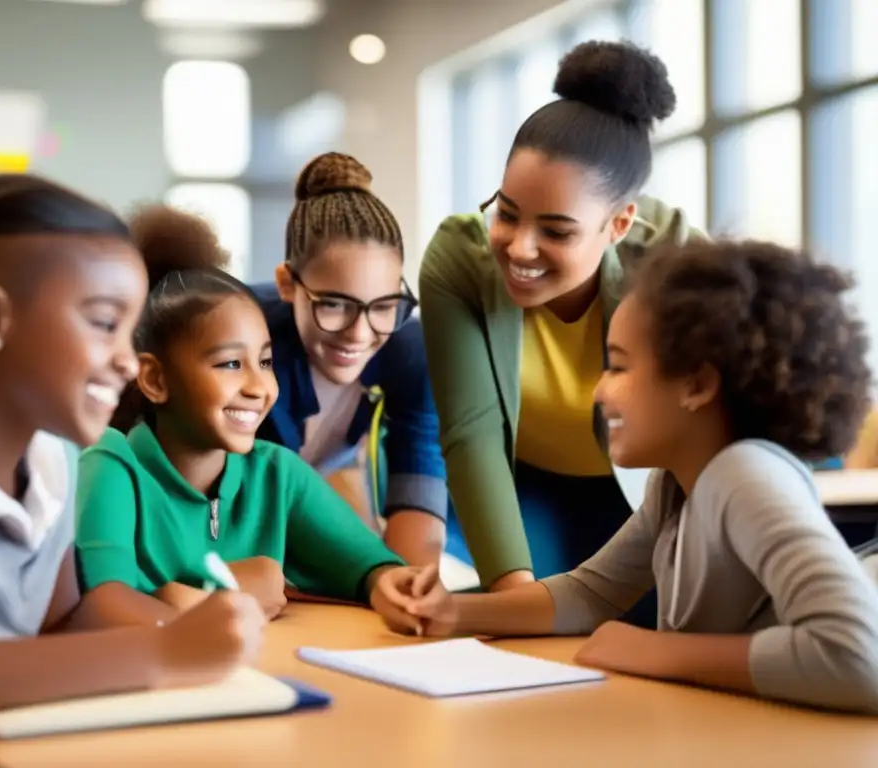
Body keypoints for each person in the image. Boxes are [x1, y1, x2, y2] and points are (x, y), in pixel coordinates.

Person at [0, 176, 265, 755]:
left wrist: (187, 628)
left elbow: (64, 620)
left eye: (131, 330)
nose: (127, 361)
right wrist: (158, 653)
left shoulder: (50, 464)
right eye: (103, 323)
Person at [385, 239, 878, 714]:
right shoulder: (675, 487)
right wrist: (451, 611)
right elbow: (590, 594)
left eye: (618, 367)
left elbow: (859, 657)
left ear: (698, 384)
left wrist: (656, 651)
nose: (599, 392)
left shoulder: (743, 474)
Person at [418, 40, 703, 598]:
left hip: (648, 487)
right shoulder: (459, 257)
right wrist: (513, 595)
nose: (520, 249)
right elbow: (470, 433)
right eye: (507, 213)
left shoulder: (678, 263)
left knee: (648, 618)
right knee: (517, 605)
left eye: (556, 231)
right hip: (525, 485)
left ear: (618, 225)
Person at [74, 205, 437, 623]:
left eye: (265, 363)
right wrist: (223, 587)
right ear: (154, 379)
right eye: (230, 364)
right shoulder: (111, 465)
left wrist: (387, 584)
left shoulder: (275, 474)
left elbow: (370, 565)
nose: (257, 387)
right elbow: (103, 607)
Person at [253, 152, 452, 571]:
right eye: (335, 305)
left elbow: (419, 465)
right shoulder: (244, 340)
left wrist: (410, 585)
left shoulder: (409, 349)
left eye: (382, 306)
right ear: (287, 284)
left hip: (327, 485)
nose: (359, 334)